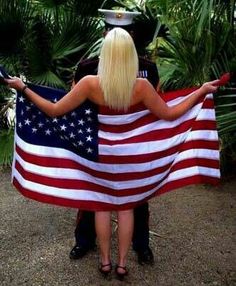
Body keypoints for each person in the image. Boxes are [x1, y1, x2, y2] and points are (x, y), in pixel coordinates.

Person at [6, 27, 219, 280]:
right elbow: (171, 114)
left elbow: (54, 112)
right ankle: (121, 265)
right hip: (132, 158)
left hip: (101, 156)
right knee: (127, 208)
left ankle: (105, 262)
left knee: (102, 207)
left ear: (105, 54)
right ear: (130, 55)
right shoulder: (141, 86)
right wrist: (201, 91)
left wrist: (23, 88)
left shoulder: (89, 83)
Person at [70, 8, 160, 266]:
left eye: (124, 32)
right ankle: (84, 241)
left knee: (138, 198)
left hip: (134, 145)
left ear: (132, 36)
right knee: (91, 197)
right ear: (105, 33)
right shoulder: (87, 67)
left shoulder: (147, 69)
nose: (118, 35)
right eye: (112, 30)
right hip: (97, 145)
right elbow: (75, 106)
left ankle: (141, 245)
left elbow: (157, 106)